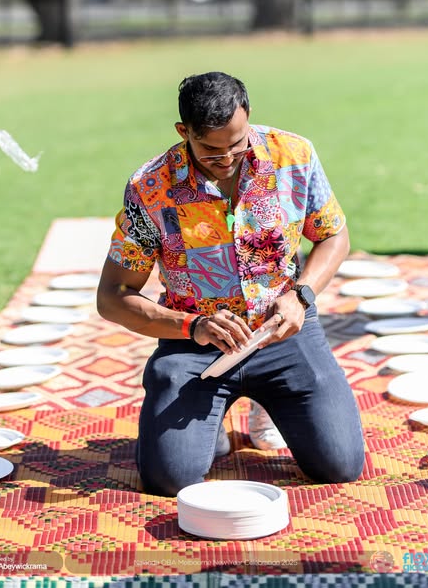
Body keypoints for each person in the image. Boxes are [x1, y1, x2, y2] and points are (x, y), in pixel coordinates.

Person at [97, 72, 365, 496]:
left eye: (236, 144)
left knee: (341, 465)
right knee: (170, 480)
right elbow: (113, 297)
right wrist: (192, 327)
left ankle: (265, 401)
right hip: (194, 345)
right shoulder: (149, 188)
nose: (226, 159)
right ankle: (212, 415)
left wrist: (302, 295)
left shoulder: (294, 155)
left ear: (248, 117)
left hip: (282, 330)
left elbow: (334, 235)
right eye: (210, 149)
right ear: (183, 132)